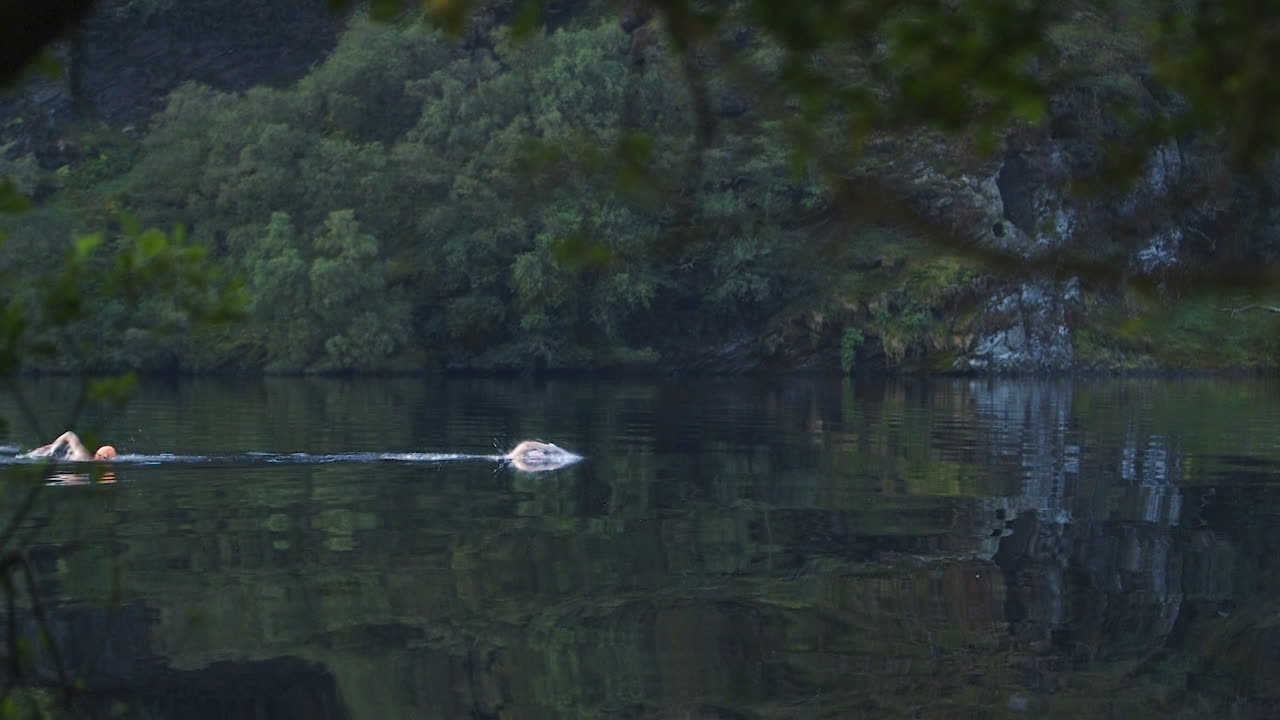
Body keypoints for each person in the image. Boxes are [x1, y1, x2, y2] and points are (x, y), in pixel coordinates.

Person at [23, 431, 117, 462]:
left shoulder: (85, 457)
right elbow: (69, 434)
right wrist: (53, 447)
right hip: (42, 454)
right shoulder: (83, 456)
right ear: (103, 457)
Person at [503, 440, 580, 472]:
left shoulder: (520, 456)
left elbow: (526, 445)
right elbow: (526, 445)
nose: (540, 455)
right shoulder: (520, 463)